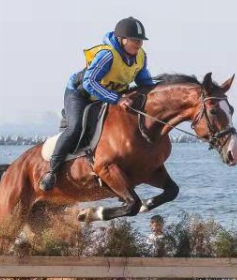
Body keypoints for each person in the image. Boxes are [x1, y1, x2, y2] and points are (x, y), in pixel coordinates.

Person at [40, 17, 156, 191]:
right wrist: (117, 99)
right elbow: (90, 83)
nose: (138, 44)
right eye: (134, 40)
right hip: (80, 94)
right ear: (121, 39)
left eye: (140, 40)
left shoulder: (140, 57)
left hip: (106, 96)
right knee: (76, 127)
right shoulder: (107, 55)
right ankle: (52, 171)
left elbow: (144, 82)